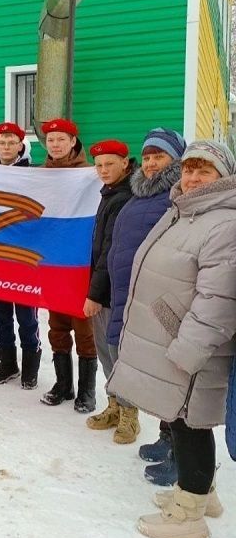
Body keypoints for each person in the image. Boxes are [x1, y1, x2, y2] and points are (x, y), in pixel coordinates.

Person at [106, 140, 236, 538]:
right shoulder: (182, 212)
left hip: (190, 349)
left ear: (224, 177)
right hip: (171, 339)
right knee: (184, 423)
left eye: (205, 171)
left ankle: (190, 516)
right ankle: (202, 495)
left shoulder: (225, 223)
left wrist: (189, 349)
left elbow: (219, 298)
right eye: (189, 170)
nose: (193, 178)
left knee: (188, 423)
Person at [105, 128, 186, 482]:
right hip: (131, 295)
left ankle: (183, 457)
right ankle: (167, 439)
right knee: (156, 376)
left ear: (176, 160)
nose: (152, 163)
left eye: (160, 156)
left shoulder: (176, 196)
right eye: (149, 156)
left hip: (161, 302)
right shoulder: (141, 194)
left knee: (173, 379)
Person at [38, 118, 98, 412]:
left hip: (80, 263)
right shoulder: (39, 175)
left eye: (62, 139)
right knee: (57, 326)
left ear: (74, 142)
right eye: (51, 140)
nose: (56, 144)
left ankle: (88, 391)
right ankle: (63, 384)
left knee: (84, 327)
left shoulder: (90, 175)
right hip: (51, 261)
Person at [0, 122, 42, 389]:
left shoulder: (34, 174)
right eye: (2, 143)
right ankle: (8, 363)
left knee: (26, 316)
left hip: (23, 256)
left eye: (11, 143)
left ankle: (30, 366)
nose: (6, 147)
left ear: (21, 146)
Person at [82, 139, 136, 440]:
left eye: (110, 164)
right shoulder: (110, 193)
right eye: (99, 165)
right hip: (105, 288)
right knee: (105, 351)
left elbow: (109, 250)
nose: (103, 169)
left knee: (117, 353)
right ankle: (114, 404)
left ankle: (130, 414)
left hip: (113, 291)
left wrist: (95, 293)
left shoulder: (124, 196)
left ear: (125, 163)